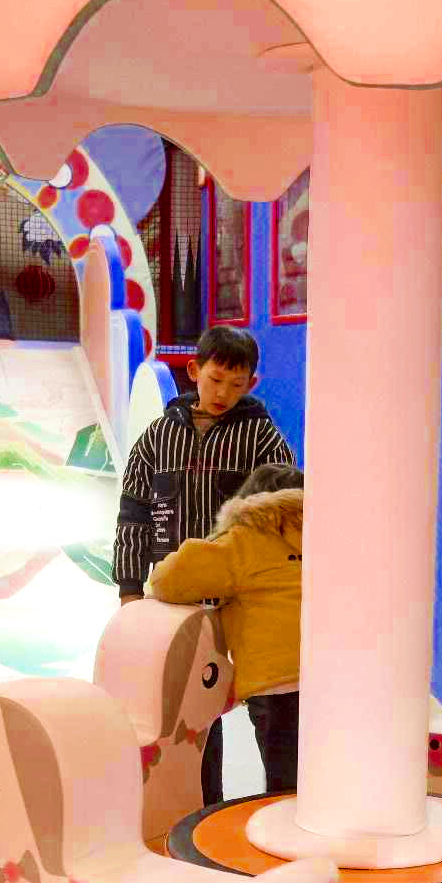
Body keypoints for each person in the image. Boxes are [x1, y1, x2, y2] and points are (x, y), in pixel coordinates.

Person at [114, 326, 294, 804]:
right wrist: (130, 589)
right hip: (175, 602)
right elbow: (133, 511)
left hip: (245, 601)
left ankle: (281, 805)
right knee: (190, 707)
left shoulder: (263, 437)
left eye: (236, 385)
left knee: (270, 705)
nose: (223, 394)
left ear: (251, 384)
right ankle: (203, 807)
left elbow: (287, 509)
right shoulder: (157, 437)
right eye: (215, 380)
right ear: (194, 371)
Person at [147, 464, 304, 795]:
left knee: (287, 791)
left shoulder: (245, 539)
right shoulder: (330, 538)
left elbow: (168, 580)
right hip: (337, 682)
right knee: (327, 781)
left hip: (278, 685)